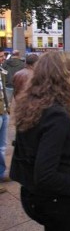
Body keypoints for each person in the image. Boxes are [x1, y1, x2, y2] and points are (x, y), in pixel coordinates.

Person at [10, 51, 70, 230]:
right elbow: (45, 174)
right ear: (62, 75)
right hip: (57, 203)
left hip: (36, 198)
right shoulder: (55, 115)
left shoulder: (33, 105)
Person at [0, 47, 9, 194]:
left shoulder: (2, 70)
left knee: (2, 145)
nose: (2, 58)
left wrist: (7, 107)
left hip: (3, 110)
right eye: (0, 56)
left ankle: (1, 172)